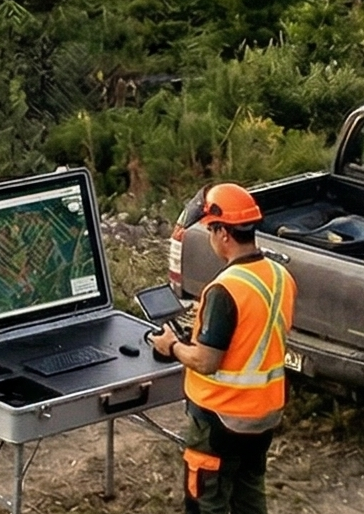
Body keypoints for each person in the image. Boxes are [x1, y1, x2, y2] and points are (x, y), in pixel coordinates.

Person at [150, 182, 296, 514]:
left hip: (221, 417)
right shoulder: (280, 276)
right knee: (249, 496)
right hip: (265, 414)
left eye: (211, 231)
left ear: (223, 233)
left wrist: (172, 346)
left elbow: (205, 361)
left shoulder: (225, 289)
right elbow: (254, 335)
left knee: (206, 501)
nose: (211, 238)